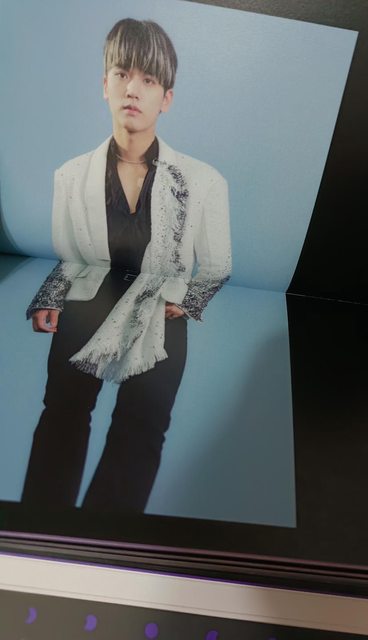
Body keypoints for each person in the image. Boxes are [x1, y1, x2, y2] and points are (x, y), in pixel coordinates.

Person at [21, 18, 231, 513]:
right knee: (61, 416)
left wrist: (188, 301)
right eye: (121, 74)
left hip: (160, 314)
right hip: (87, 308)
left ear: (167, 98)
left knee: (142, 429)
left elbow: (218, 264)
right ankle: (42, 535)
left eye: (148, 79)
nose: (132, 89)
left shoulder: (204, 181)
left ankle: (103, 543)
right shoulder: (71, 175)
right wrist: (49, 296)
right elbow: (69, 254)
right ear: (105, 84)